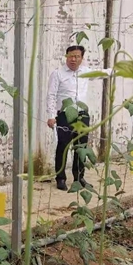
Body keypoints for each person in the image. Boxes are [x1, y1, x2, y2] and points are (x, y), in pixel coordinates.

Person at [46, 45, 112, 191]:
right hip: (64, 115)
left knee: (81, 147)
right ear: (66, 56)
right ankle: (60, 178)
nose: (73, 59)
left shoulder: (85, 72)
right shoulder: (58, 74)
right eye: (71, 56)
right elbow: (51, 95)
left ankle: (79, 177)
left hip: (82, 115)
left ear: (82, 58)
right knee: (63, 146)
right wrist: (51, 116)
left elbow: (101, 73)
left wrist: (118, 70)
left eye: (77, 56)